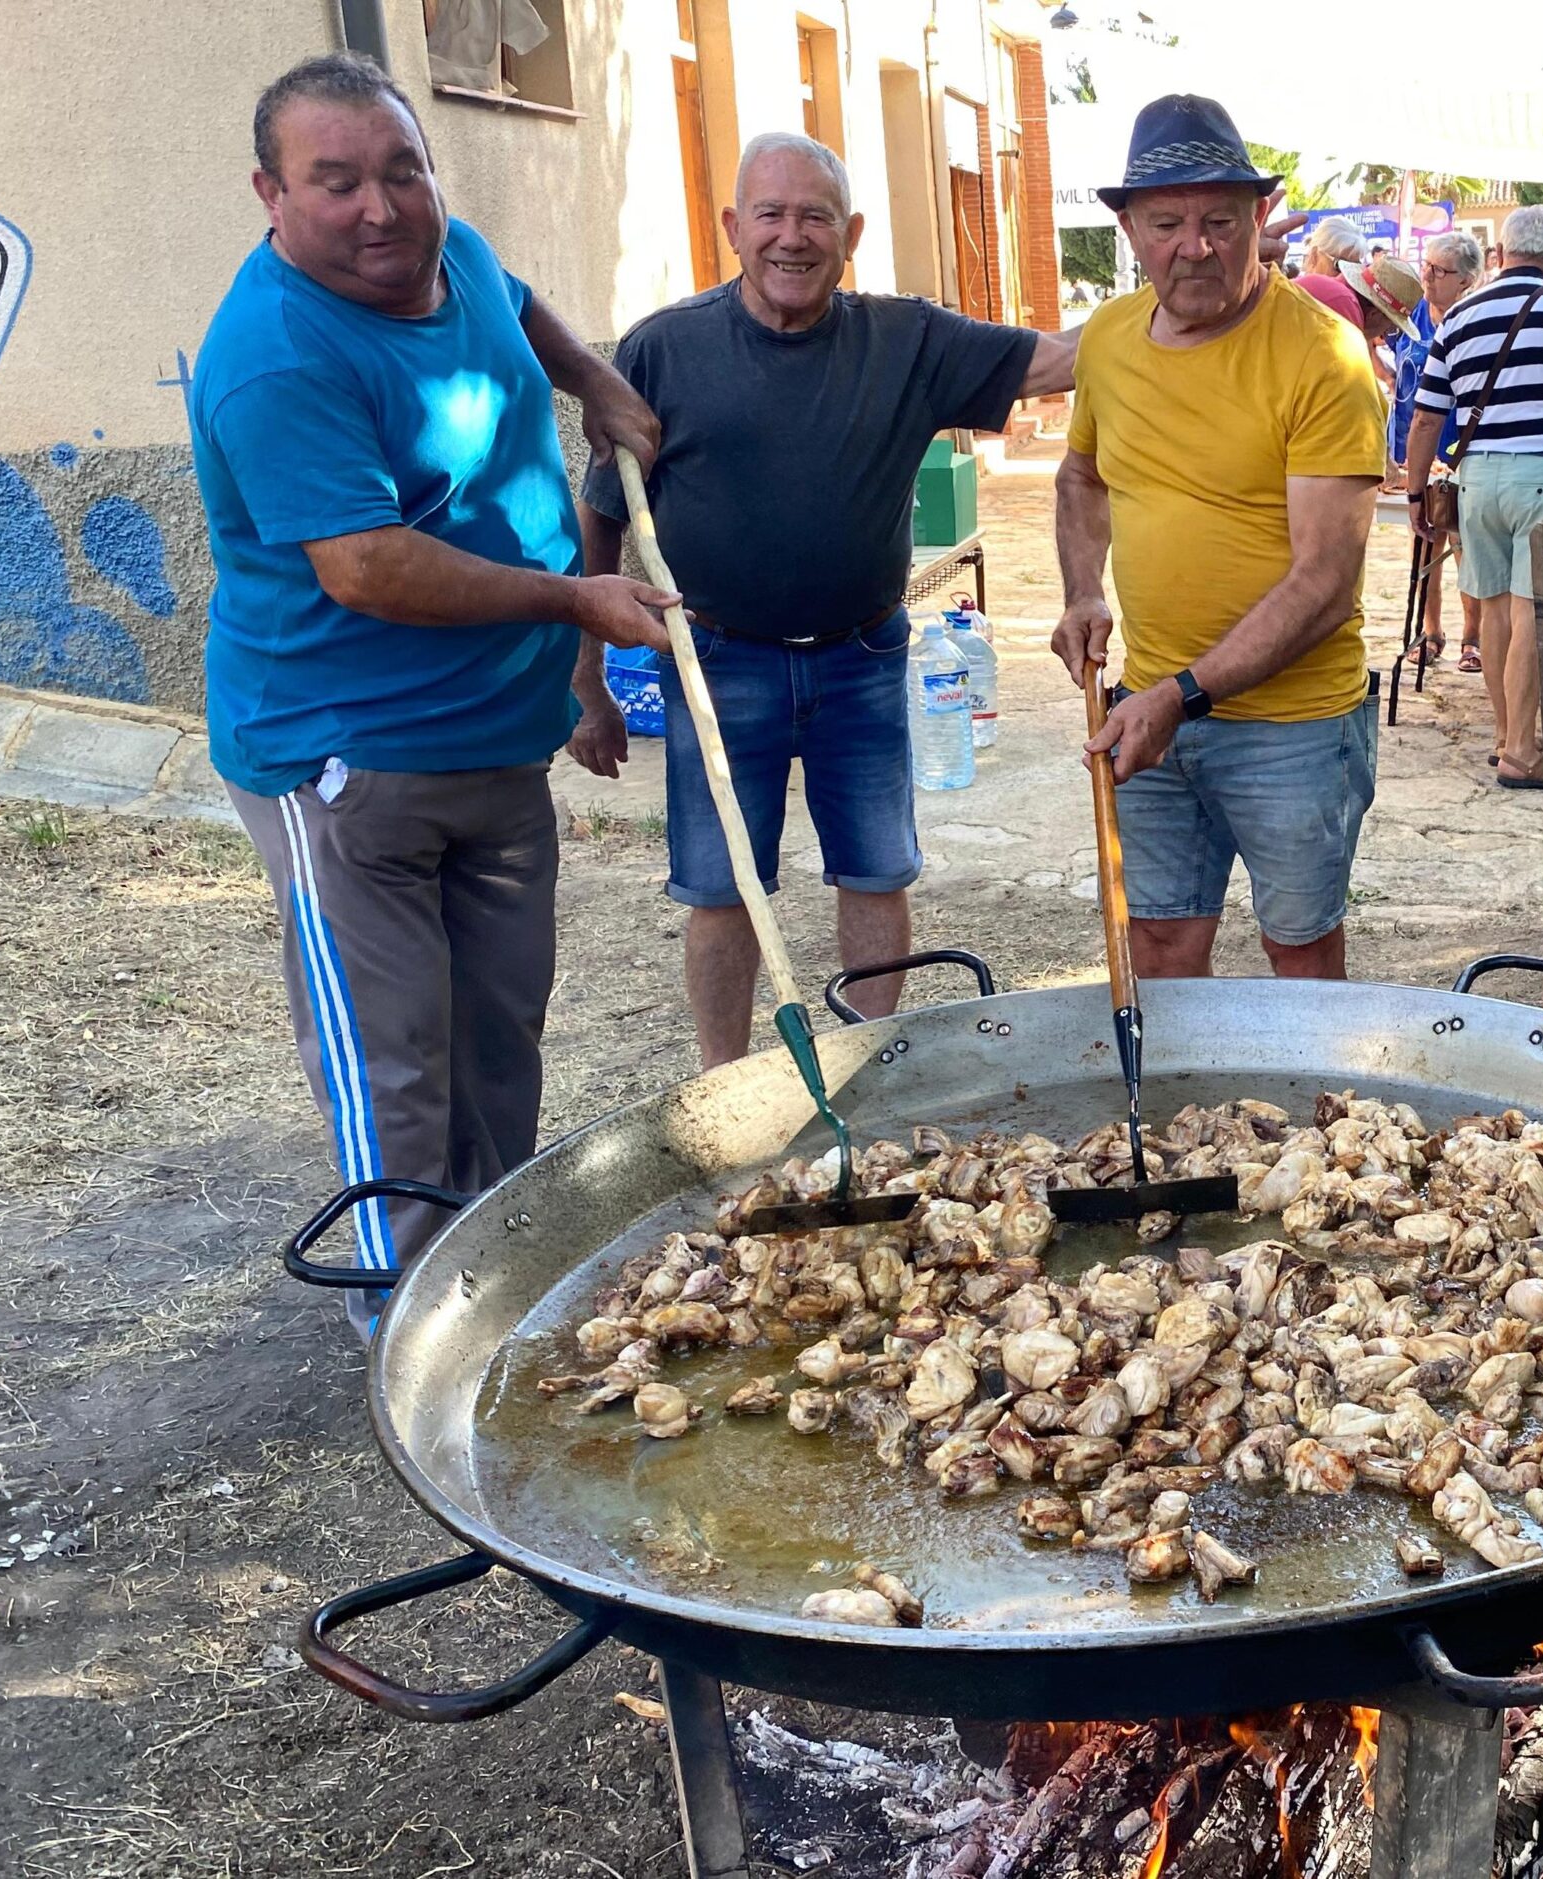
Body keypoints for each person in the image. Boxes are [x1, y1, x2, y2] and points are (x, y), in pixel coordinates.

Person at [188, 53, 674, 1325]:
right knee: (396, 1054)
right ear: (270, 194)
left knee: (500, 1026)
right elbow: (367, 566)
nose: (380, 209)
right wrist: (578, 605)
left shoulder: (441, 252)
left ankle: (492, 1272)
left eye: (403, 171)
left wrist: (599, 381)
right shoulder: (276, 352)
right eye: (335, 182)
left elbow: (515, 305)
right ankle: (406, 1320)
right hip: (344, 756)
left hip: (492, 745)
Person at [572, 133, 1076, 1067]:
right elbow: (600, 522)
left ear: (850, 233)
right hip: (718, 660)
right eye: (770, 213)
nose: (791, 238)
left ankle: (870, 1065)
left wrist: (1194, 290)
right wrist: (590, 685)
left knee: (878, 870)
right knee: (722, 889)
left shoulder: (908, 339)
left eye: (814, 217)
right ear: (733, 227)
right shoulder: (661, 350)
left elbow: (1059, 361)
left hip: (864, 657)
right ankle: (723, 1084)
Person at [1053, 95, 1387, 982]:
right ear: (1128, 227)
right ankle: (1177, 1121)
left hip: (1293, 726)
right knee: (1159, 943)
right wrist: (1083, 588)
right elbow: (1082, 479)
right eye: (1166, 222)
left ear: (1260, 218)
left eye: (1219, 221)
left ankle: (1323, 1124)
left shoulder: (1324, 356)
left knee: (1300, 949)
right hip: (1147, 705)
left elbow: (1324, 582)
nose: (1194, 246)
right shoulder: (1112, 339)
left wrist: (1182, 696)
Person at [1405, 203, 1543, 789]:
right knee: (1531, 606)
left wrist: (1413, 492)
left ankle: (1506, 736)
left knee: (1493, 605)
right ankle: (1523, 751)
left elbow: (1427, 418)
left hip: (1476, 477)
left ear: (1501, 254)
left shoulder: (1457, 317)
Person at [1390, 232, 1484, 668]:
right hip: (1419, 447)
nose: (1425, 276)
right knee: (1424, 542)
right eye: (1425, 265)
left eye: (1437, 270)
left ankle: (1473, 637)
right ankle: (1430, 633)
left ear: (1466, 280)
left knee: (1468, 545)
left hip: (1461, 448)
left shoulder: (1475, 321)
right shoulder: (1413, 314)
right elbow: (1388, 351)